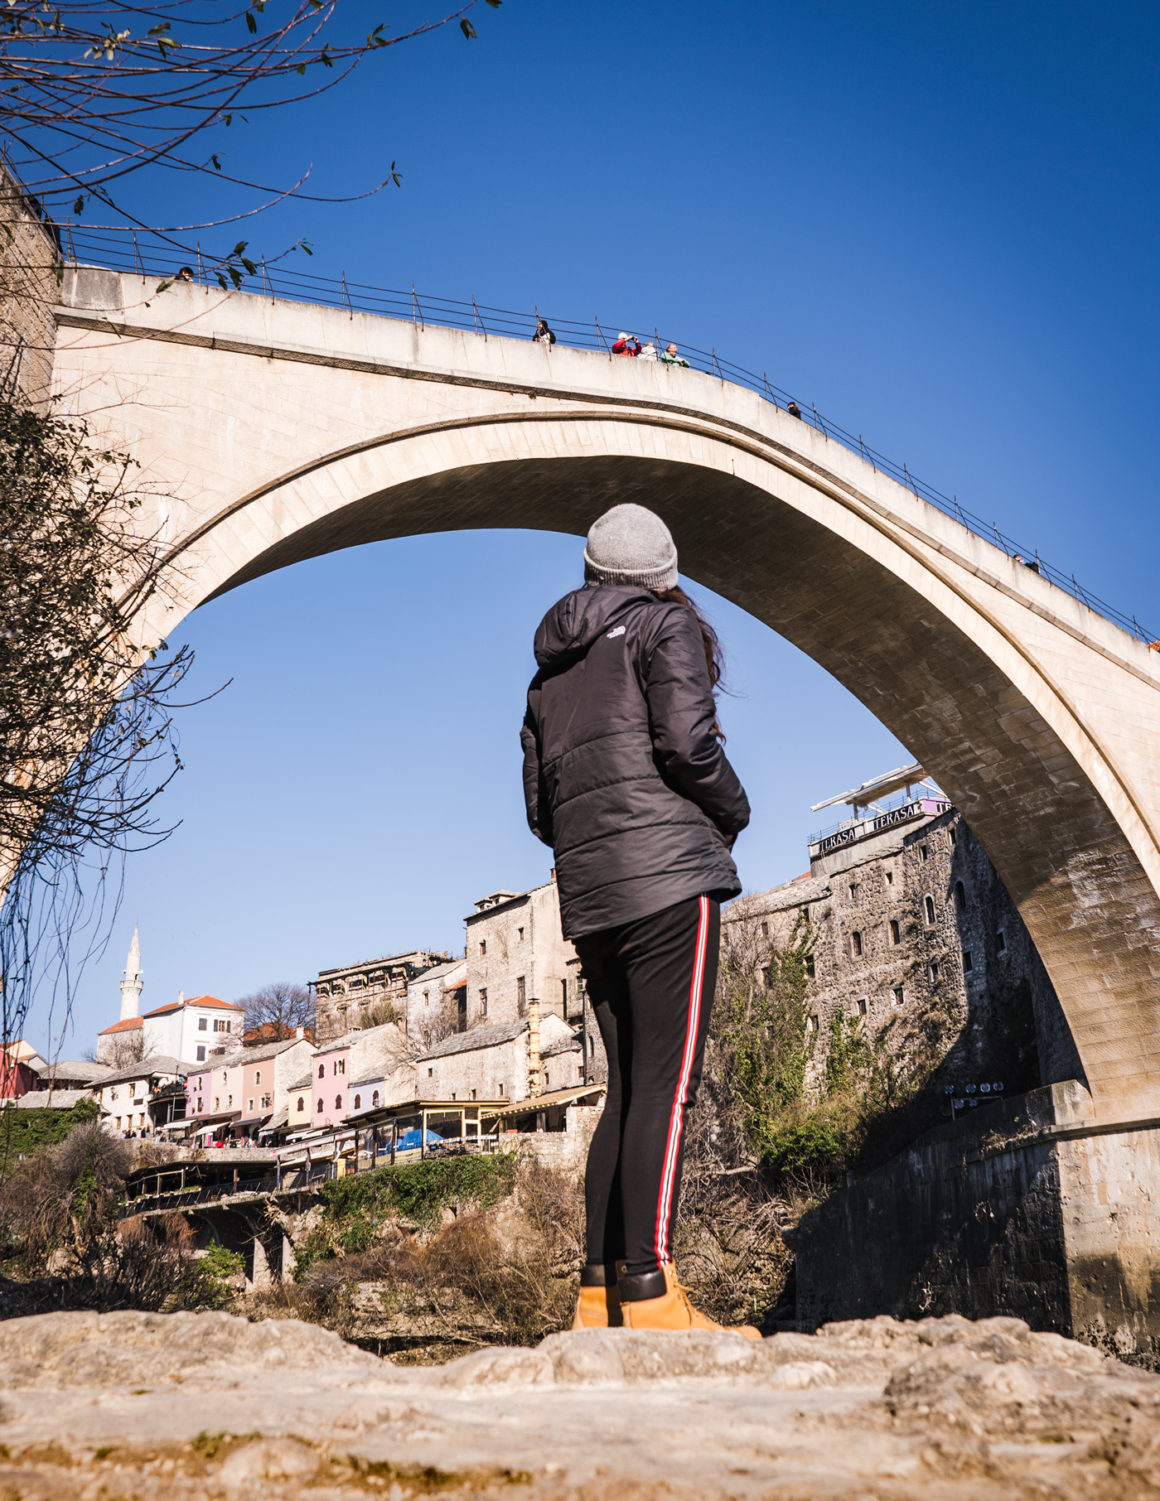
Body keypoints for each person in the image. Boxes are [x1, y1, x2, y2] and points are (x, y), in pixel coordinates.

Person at [521, 504, 759, 1337]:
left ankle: (599, 1295)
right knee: (665, 1085)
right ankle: (653, 1292)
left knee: (625, 1088)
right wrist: (734, 811)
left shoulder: (548, 673)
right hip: (667, 883)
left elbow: (540, 810)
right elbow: (689, 746)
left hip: (591, 897)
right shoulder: (667, 628)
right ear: (665, 572)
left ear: (592, 572)